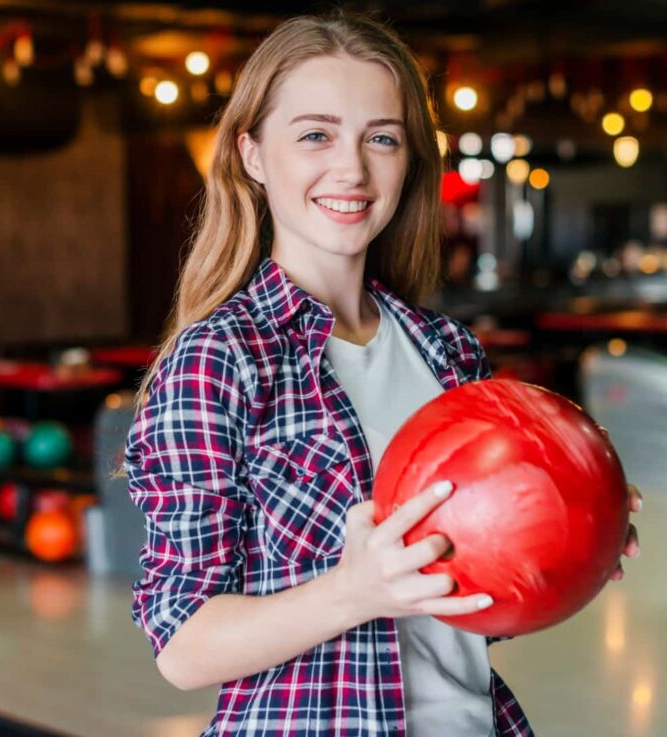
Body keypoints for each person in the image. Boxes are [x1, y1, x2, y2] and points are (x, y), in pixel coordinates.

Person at [123, 11, 642, 737]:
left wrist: (562, 538)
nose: (353, 169)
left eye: (382, 138)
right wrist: (354, 589)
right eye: (315, 134)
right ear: (252, 154)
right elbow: (182, 644)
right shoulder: (220, 360)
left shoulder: (447, 351)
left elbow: (461, 619)